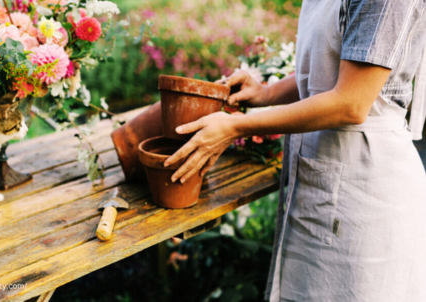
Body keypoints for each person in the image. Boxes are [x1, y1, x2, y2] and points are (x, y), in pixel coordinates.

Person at [164, 0, 426, 301]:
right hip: (327, 174)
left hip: (368, 188)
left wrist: (237, 127)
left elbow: (352, 102)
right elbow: (334, 70)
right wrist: (266, 93)